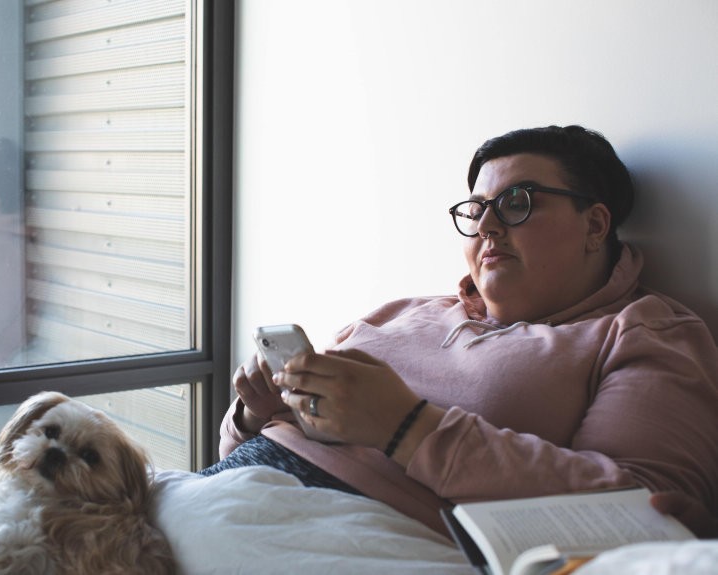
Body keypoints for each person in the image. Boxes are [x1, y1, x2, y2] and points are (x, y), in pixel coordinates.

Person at [201, 125, 718, 537]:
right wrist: (254, 413)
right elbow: (237, 451)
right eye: (476, 210)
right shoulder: (401, 310)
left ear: (596, 225)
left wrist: (407, 427)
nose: (488, 226)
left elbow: (648, 512)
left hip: (368, 526)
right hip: (241, 482)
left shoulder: (645, 331)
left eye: (518, 203)